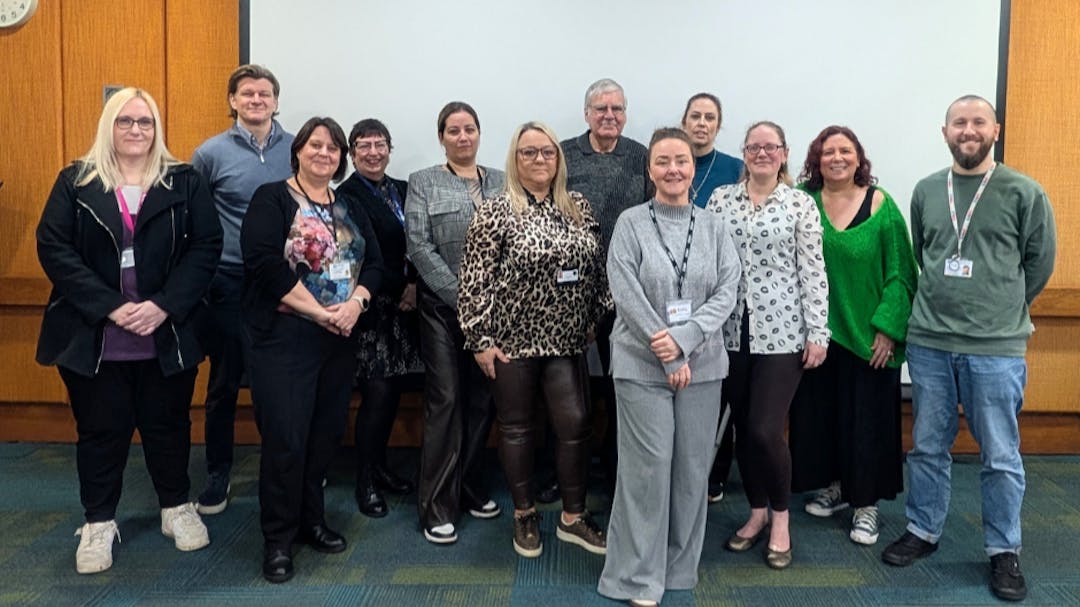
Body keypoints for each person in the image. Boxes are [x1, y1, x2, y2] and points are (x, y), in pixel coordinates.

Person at [35, 87, 222, 574]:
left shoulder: (184, 181)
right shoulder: (75, 181)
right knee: (101, 432)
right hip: (95, 335)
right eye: (125, 121)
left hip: (167, 332)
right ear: (108, 127)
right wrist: (111, 307)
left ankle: (175, 508)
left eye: (145, 122)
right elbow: (54, 249)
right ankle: (99, 522)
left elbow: (206, 247)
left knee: (169, 427)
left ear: (157, 128)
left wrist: (163, 305)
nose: (136, 130)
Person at [881, 95, 1056, 602]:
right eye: (960, 123)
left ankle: (1004, 549)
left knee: (1000, 453)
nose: (969, 130)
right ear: (945, 132)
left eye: (978, 121)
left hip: (995, 348)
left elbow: (1038, 262)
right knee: (928, 445)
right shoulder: (928, 190)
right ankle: (923, 531)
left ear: (994, 129)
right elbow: (924, 253)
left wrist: (1002, 308)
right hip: (931, 342)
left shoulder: (1024, 191)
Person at [598, 128, 740, 607]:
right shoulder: (631, 223)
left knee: (691, 470)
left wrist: (683, 343)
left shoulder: (716, 227)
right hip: (641, 364)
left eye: (681, 160)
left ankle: (678, 569)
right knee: (648, 469)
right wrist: (666, 349)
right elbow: (625, 291)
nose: (673, 169)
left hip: (702, 364)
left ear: (693, 167)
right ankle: (637, 577)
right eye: (663, 161)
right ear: (650, 169)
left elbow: (726, 291)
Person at [241, 116, 384, 583]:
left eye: (333, 148)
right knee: (286, 438)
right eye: (315, 145)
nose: (325, 153)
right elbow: (265, 266)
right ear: (298, 150)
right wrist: (318, 312)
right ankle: (278, 539)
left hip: (339, 338)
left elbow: (376, 264)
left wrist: (354, 305)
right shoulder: (273, 199)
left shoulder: (347, 204)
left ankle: (312, 521)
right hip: (285, 337)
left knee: (324, 435)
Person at [458, 121, 610, 558]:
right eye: (528, 152)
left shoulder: (578, 207)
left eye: (546, 152)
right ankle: (524, 514)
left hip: (566, 342)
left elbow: (598, 273)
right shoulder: (496, 211)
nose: (539, 159)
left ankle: (573, 517)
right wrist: (480, 339)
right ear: (515, 158)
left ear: (558, 159)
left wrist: (592, 319)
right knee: (518, 430)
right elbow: (473, 280)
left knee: (575, 424)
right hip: (511, 343)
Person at [706, 121, 830, 569]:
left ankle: (781, 520)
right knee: (741, 427)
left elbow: (813, 270)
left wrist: (819, 331)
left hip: (783, 333)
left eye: (770, 147)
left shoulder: (800, 204)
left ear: (783, 153)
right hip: (730, 331)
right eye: (754, 146)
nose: (761, 153)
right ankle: (755, 513)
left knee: (764, 428)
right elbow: (711, 263)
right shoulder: (721, 200)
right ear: (744, 152)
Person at [788, 125, 918, 546]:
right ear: (816, 159)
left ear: (859, 158)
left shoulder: (882, 206)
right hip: (818, 337)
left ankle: (867, 506)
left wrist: (888, 329)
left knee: (867, 423)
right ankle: (838, 488)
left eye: (845, 151)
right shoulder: (802, 203)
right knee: (822, 418)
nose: (837, 158)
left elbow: (902, 273)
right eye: (828, 152)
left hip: (869, 340)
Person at [191, 64, 294, 515]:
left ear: (275, 100)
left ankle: (290, 466)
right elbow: (195, 221)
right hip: (229, 283)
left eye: (264, 93)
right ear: (232, 100)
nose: (256, 100)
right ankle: (218, 472)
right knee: (225, 383)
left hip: (287, 286)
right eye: (247, 93)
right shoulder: (209, 153)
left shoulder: (298, 148)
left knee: (283, 381)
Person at [405, 101, 506, 544]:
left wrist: (490, 302)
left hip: (495, 314)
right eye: (453, 130)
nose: (462, 137)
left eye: (470, 129)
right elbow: (419, 246)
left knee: (483, 402)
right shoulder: (423, 181)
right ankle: (436, 506)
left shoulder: (504, 182)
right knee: (446, 402)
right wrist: (465, 300)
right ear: (441, 137)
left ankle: (467, 488)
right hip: (442, 312)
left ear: (480, 134)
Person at [560, 78, 654, 497]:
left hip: (625, 286)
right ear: (586, 114)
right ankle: (561, 471)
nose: (609, 116)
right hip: (569, 286)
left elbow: (654, 217)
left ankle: (619, 469)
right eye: (601, 109)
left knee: (622, 380)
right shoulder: (562, 154)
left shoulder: (640, 157)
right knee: (564, 383)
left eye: (617, 109)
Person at [335, 118, 422, 518]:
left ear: (390, 148)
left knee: (394, 394)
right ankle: (365, 480)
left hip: (407, 306)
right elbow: (363, 253)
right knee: (377, 394)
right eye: (363, 146)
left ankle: (383, 468)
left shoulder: (403, 189)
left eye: (379, 144)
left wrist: (416, 284)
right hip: (373, 307)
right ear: (352, 154)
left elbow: (421, 241)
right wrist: (400, 286)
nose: (373, 152)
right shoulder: (347, 195)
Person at [680, 92, 744, 504]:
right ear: (684, 122)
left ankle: (714, 473)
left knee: (716, 386)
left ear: (718, 126)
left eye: (710, 118)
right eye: (695, 116)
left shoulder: (735, 169)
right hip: (671, 295)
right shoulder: (671, 162)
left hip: (718, 293)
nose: (701, 123)